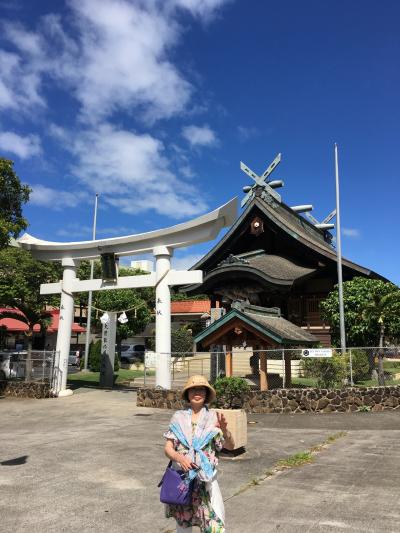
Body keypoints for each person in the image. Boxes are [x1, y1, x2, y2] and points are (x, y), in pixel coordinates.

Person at [163, 375, 235, 532]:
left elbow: (230, 446)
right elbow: (168, 448)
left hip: (206, 480)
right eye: (193, 389)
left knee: (215, 526)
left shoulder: (214, 418)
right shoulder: (178, 417)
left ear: (206, 394)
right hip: (183, 480)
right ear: (188, 394)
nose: (197, 392)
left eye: (201, 389)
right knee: (183, 525)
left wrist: (224, 430)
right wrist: (179, 457)